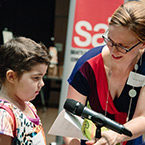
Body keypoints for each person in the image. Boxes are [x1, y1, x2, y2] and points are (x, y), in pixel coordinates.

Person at [63, 1, 145, 145]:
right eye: (110, 41)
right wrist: (73, 143)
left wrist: (116, 136)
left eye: (122, 46)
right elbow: (70, 118)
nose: (113, 50)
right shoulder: (88, 65)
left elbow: (142, 117)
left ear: (142, 44)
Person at [0, 37, 51, 145]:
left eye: (42, 77)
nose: (42, 84)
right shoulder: (3, 116)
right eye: (36, 78)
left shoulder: (29, 106)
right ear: (11, 76)